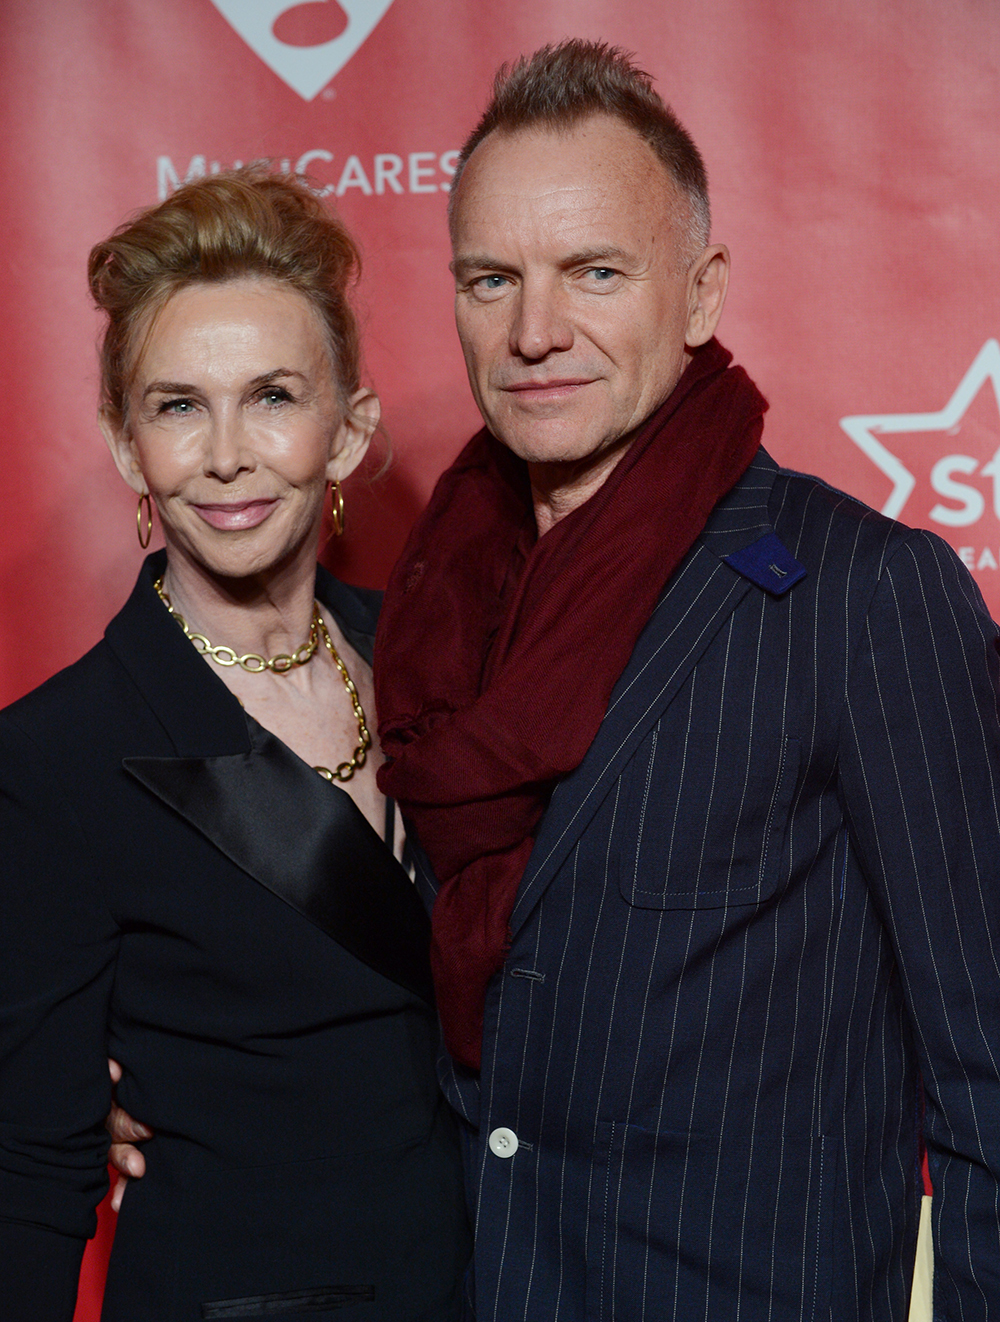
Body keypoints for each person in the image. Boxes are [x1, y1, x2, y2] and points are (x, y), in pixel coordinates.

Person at [369, 40, 1000, 1321]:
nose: (534, 329)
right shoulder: (430, 612)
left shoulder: (862, 595)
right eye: (492, 278)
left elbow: (986, 1065)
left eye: (594, 272)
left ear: (701, 293)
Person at [0, 168, 469, 1320]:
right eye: (176, 405)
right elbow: (28, 1170)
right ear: (125, 447)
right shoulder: (58, 756)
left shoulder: (446, 667)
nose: (225, 454)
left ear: (348, 428)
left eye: (270, 396)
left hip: (488, 1279)